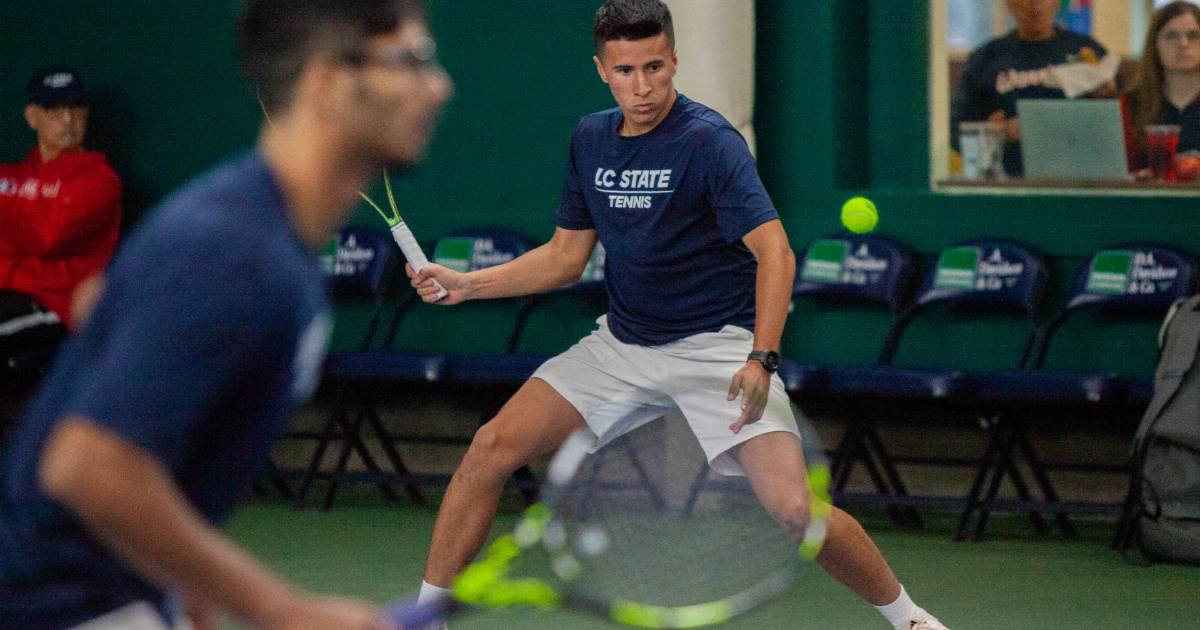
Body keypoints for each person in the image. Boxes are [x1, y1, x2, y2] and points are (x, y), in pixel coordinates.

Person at [408, 2, 951, 629]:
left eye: (655, 67)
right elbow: (564, 257)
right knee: (491, 447)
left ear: (675, 60)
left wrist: (760, 357)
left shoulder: (710, 142)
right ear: (601, 70)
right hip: (622, 344)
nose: (642, 87)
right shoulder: (590, 138)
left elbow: (774, 251)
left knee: (795, 509)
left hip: (715, 350)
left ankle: (910, 619)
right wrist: (466, 285)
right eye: (625, 70)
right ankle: (426, 618)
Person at [0, 0, 452, 628]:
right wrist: (282, 609)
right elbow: (87, 464)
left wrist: (183, 581)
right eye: (411, 60)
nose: (439, 85)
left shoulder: (263, 239)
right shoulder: (235, 252)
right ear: (325, 82)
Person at [0, 68, 121, 356]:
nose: (68, 119)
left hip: (57, 306)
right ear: (32, 117)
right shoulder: (9, 176)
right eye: (54, 109)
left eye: (75, 107)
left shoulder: (99, 179)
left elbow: (44, 238)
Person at [950, 0, 1116, 176]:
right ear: (1008, 3)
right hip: (1008, 182)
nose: (1035, 4)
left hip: (1077, 178)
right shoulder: (985, 60)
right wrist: (997, 133)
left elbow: (1118, 130)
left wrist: (1107, 98)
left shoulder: (1087, 53)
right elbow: (954, 132)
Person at [1121, 1, 1200, 174]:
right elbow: (1118, 170)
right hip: (1147, 198)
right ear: (1155, 44)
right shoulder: (1132, 103)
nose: (1184, 44)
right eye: (1171, 36)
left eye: (1193, 36)